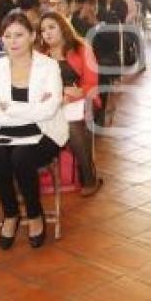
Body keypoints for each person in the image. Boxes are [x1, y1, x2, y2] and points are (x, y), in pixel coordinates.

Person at [0, 13, 69, 249]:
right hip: (4, 130)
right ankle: (11, 214)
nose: (13, 41)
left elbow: (49, 110)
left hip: (44, 131)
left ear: (32, 36)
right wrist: (30, 108)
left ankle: (34, 214)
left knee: (22, 157)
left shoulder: (48, 66)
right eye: (7, 36)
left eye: (19, 35)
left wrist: (10, 107)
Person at [37, 13, 102, 196]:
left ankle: (89, 178)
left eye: (51, 27)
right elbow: (38, 87)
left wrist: (70, 95)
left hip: (84, 101)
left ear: (63, 27)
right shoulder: (41, 55)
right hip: (53, 103)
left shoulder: (81, 48)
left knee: (72, 126)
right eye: (43, 30)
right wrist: (63, 93)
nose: (47, 33)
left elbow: (90, 84)